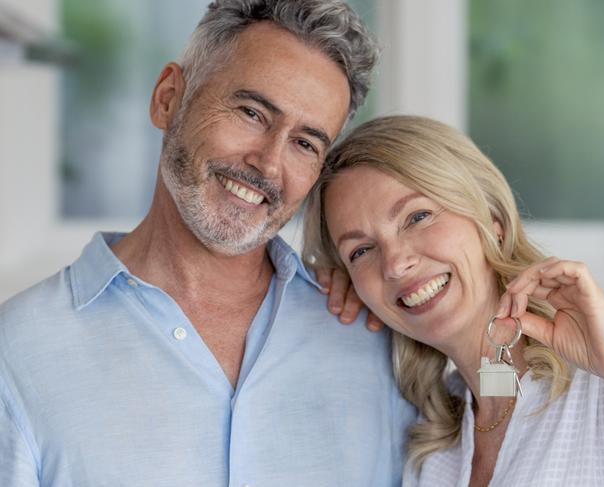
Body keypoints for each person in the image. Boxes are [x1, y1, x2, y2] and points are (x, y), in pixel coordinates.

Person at [0, 3, 416, 486]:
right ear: (168, 98)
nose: (268, 164)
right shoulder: (17, 352)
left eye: (305, 143)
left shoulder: (377, 334)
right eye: (252, 112)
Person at [303, 115, 604, 486]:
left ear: (493, 219)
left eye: (417, 217)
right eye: (361, 251)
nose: (395, 264)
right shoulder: (431, 442)